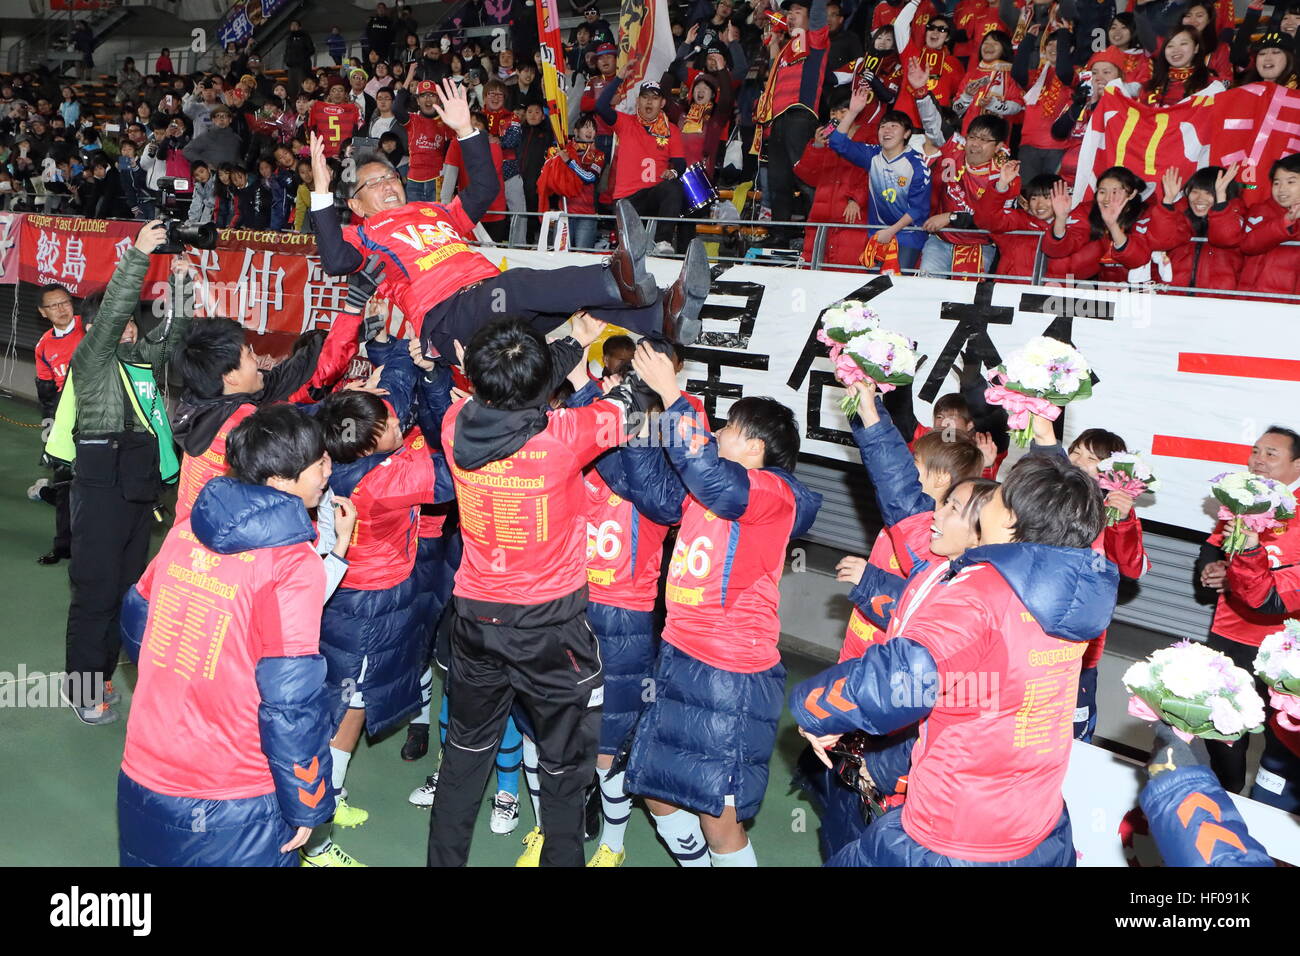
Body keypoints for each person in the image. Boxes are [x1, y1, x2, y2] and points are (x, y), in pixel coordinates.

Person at [792, 453, 1118, 866]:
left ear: (1009, 520)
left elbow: (899, 681)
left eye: (1000, 495)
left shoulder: (983, 593)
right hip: (1036, 823)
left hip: (953, 829)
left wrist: (814, 708)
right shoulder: (1073, 599)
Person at [427, 314, 645, 868]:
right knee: (565, 770)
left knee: (462, 759)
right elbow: (632, 406)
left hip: (474, 623)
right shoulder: (566, 435)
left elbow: (520, 389)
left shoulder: (455, 423)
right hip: (553, 633)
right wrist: (636, 356)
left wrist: (571, 339)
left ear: (473, 381)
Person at [308, 79, 709, 367]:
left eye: (391, 176)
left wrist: (466, 130)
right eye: (374, 183)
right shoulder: (360, 233)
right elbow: (337, 260)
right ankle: (613, 277)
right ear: (357, 204)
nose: (389, 185)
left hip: (490, 302)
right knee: (520, 282)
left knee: (566, 301)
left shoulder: (435, 212)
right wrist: (322, 193)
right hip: (449, 320)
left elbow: (483, 189)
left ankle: (661, 318)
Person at [614, 344, 821, 867]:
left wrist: (673, 393)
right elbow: (657, 495)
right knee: (657, 789)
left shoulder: (773, 494)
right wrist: (643, 420)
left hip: (731, 668)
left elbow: (711, 479)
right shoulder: (710, 486)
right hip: (680, 653)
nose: (717, 434)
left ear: (753, 447)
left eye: (728, 427)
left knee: (717, 815)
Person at [116, 406, 340, 866]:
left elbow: (139, 621)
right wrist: (307, 802)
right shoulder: (292, 564)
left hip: (145, 765)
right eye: (320, 462)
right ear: (280, 481)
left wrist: (190, 685)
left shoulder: (185, 533)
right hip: (234, 792)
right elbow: (291, 700)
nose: (328, 470)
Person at [57, 223, 195, 725]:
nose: (130, 330)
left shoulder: (138, 363)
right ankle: (82, 688)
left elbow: (173, 337)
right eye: (121, 326)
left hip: (138, 483)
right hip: (100, 484)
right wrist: (139, 256)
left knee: (128, 587)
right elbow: (114, 310)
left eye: (134, 325)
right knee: (95, 591)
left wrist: (181, 285)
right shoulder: (91, 358)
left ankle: (105, 677)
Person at [1195, 427, 1300, 807]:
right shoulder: (1242, 500)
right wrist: (1212, 571)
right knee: (1222, 724)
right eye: (1255, 451)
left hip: (1281, 648)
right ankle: (1227, 795)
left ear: (1296, 464)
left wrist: (1243, 577)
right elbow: (1212, 549)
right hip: (1228, 633)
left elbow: (1275, 591)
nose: (1258, 460)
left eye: (1271, 454)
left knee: (1281, 741)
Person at [754, 0, 832, 248]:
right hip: (777, 121)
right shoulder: (788, 48)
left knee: (806, 180)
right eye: (788, 12)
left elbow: (819, 14)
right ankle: (780, 236)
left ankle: (816, 236)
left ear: (811, 18)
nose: (790, 16)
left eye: (797, 12)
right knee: (778, 183)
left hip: (800, 116)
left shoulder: (815, 40)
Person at [827, 95, 932, 271]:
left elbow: (918, 210)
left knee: (894, 287)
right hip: (877, 234)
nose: (886, 130)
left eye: (894, 126)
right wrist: (852, 112)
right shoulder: (873, 156)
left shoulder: (917, 166)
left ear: (907, 133)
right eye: (883, 126)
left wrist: (891, 231)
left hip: (907, 236)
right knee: (872, 288)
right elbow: (837, 142)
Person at [594, 70, 687, 255]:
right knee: (631, 253)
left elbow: (680, 163)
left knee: (674, 186)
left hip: (653, 195)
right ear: (638, 101)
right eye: (644, 97)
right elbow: (601, 106)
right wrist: (619, 78)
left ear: (662, 103)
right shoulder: (625, 123)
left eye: (654, 98)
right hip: (626, 198)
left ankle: (664, 242)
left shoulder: (672, 130)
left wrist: (673, 172)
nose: (649, 102)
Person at [31, 284, 84, 565]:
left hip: (98, 414)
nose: (61, 309)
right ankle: (63, 546)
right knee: (64, 483)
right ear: (43, 312)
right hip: (64, 421)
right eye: (53, 305)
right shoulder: (43, 346)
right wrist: (49, 430)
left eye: (65, 302)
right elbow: (46, 391)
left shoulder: (89, 324)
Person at [1206, 154, 1300, 299]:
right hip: (1255, 301)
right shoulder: (1261, 210)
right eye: (1276, 183)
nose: (1281, 189)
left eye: (1290, 182)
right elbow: (1249, 245)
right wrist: (1285, 222)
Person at [1042, 168, 1152, 282]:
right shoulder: (1086, 210)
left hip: (1138, 285)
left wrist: (1113, 226)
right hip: (1096, 281)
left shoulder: (1144, 214)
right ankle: (1057, 293)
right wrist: (1060, 219)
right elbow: (1055, 250)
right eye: (1102, 192)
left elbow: (1137, 260)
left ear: (1132, 194)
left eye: (1114, 192)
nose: (1107, 199)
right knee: (1062, 261)